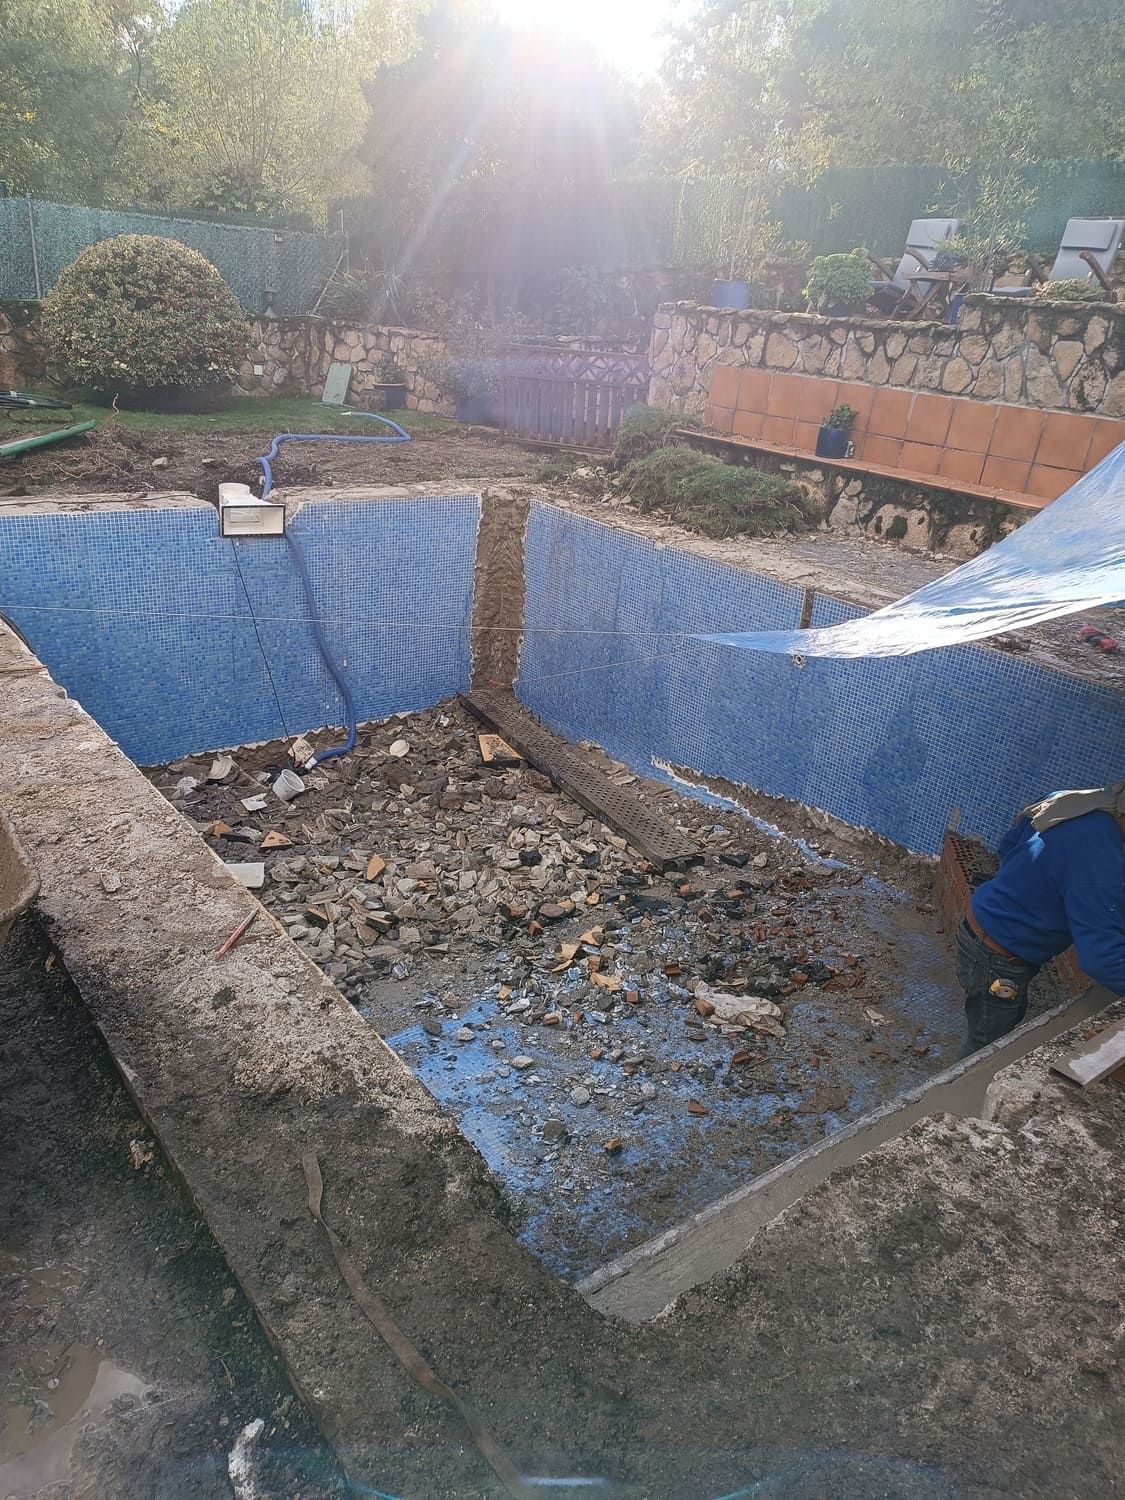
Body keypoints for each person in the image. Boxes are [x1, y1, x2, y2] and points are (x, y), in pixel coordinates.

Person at [956, 779, 1125, 1055]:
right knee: (983, 1051)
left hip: (979, 924)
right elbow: (1101, 959)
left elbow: (1009, 844)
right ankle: (956, 1098)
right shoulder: (1099, 856)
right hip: (995, 956)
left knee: (1006, 1014)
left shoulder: (1075, 803)